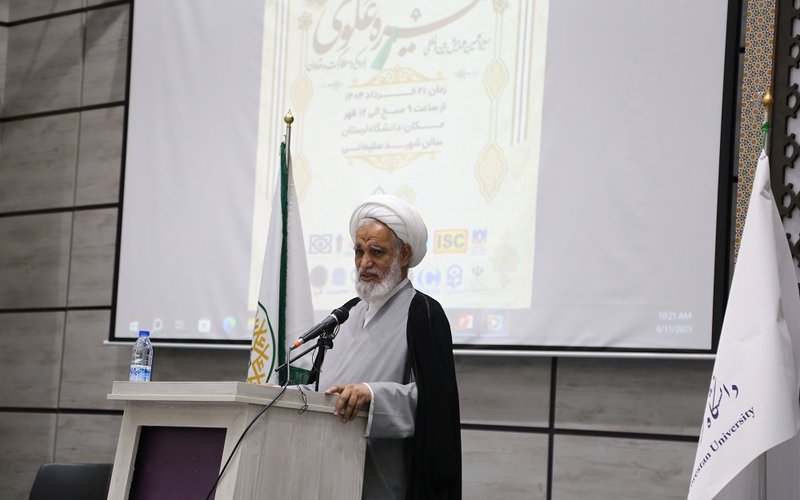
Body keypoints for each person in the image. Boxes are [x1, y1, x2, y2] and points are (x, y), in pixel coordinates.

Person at [311, 194, 461, 500]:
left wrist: (373, 395)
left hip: (385, 483)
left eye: (376, 252)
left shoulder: (423, 313)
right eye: (359, 251)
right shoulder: (346, 314)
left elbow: (436, 407)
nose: (364, 263)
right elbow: (323, 390)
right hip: (326, 475)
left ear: (404, 255)